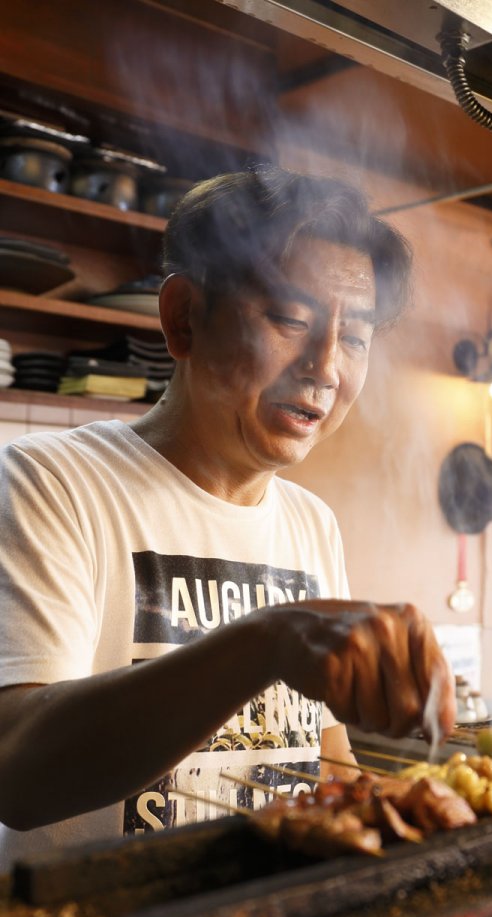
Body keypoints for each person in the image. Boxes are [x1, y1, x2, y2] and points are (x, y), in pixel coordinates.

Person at [0, 163, 456, 869]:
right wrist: (263, 641)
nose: (327, 366)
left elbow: (323, 760)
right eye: (290, 318)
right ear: (184, 318)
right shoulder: (50, 483)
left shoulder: (311, 523)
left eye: (357, 337)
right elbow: (17, 774)